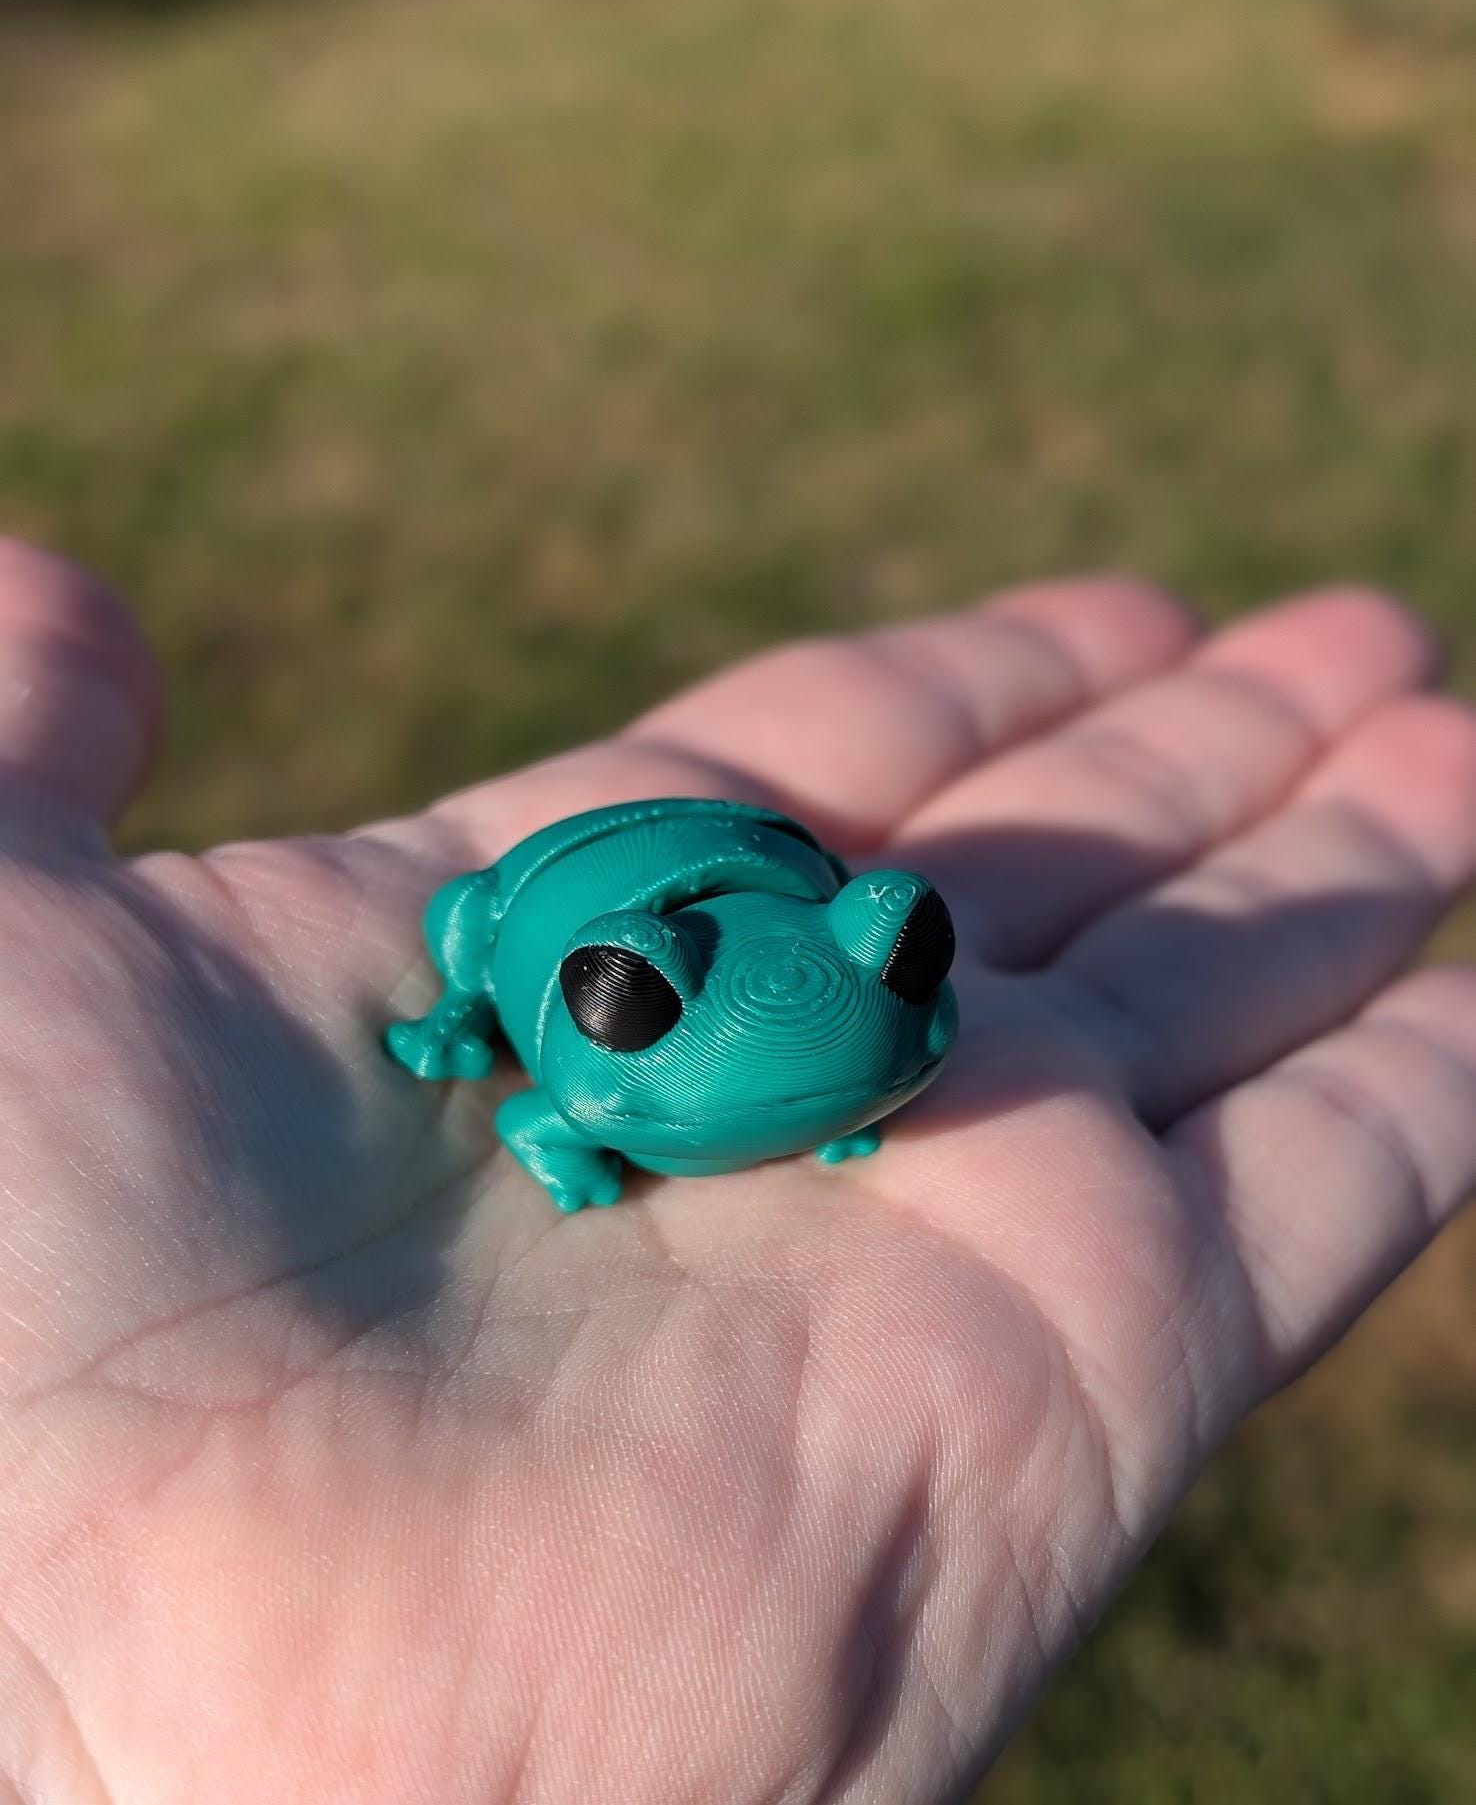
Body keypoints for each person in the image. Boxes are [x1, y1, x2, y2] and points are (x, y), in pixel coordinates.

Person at [0, 534, 1471, 1803]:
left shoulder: (868, 981)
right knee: (472, 924)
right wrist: (540, 1091)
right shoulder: (597, 1063)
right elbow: (539, 1117)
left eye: (916, 952)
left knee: (824, 995)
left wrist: (856, 1062)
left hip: (769, 885)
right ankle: (503, 998)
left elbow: (864, 950)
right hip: (570, 906)